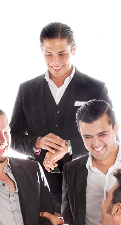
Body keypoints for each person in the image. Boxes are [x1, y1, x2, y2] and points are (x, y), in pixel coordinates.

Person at [10, 22, 112, 209]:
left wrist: (69, 147)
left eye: (62, 54)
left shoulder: (95, 89)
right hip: (38, 188)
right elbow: (13, 137)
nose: (55, 61)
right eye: (48, 54)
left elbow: (112, 138)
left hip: (86, 186)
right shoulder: (27, 90)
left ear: (74, 50)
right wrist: (37, 142)